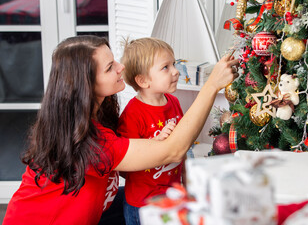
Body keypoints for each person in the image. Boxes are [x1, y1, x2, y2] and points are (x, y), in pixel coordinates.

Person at [3, 35, 239, 225]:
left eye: (114, 60)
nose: (121, 67)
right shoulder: (90, 140)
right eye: (109, 67)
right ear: (86, 84)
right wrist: (211, 85)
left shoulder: (97, 117)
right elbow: (173, 151)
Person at [117, 37, 186, 224]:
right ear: (143, 81)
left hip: (173, 196)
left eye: (174, 64)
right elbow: (125, 166)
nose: (175, 72)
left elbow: (183, 146)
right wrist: (156, 143)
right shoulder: (132, 114)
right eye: (166, 67)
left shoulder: (174, 103)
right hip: (143, 204)